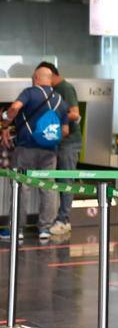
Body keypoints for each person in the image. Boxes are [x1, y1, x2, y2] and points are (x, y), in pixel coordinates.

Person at [0, 64, 69, 241]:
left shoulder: (30, 93)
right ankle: (45, 229)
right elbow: (66, 130)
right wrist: (49, 140)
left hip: (26, 149)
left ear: (36, 78)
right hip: (50, 152)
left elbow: (15, 107)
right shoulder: (60, 100)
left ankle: (18, 230)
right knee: (48, 188)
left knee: (22, 187)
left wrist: (6, 121)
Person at [37, 63, 80, 237]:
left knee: (66, 179)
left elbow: (75, 114)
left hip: (69, 142)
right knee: (60, 180)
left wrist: (50, 118)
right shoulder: (52, 92)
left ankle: (64, 220)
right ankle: (58, 218)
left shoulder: (65, 88)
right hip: (58, 141)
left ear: (52, 75)